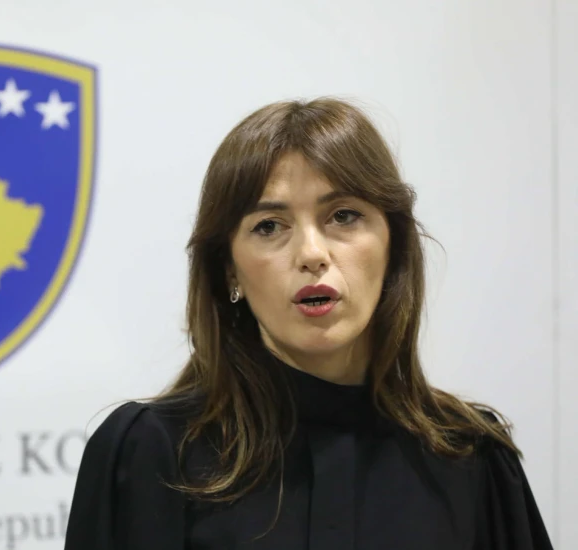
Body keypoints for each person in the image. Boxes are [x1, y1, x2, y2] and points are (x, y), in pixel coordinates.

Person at [63, 98, 553, 549]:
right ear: (229, 269)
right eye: (269, 226)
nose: (312, 254)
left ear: (394, 246)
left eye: (344, 216)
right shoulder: (150, 454)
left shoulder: (472, 457)